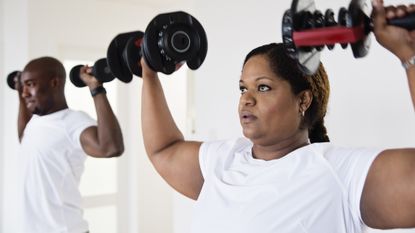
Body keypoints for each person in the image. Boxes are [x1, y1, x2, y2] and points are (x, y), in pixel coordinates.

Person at [140, 1, 415, 233]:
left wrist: (409, 56)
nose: (246, 99)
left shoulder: (339, 174)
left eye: (263, 87)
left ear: (303, 100)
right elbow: (164, 149)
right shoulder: (223, 161)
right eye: (242, 88)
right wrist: (150, 72)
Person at [15, 56, 124, 233]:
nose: (24, 92)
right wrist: (21, 95)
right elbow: (23, 138)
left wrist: (96, 88)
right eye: (23, 86)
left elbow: (111, 147)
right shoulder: (34, 123)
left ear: (54, 83)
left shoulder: (72, 122)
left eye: (31, 84)